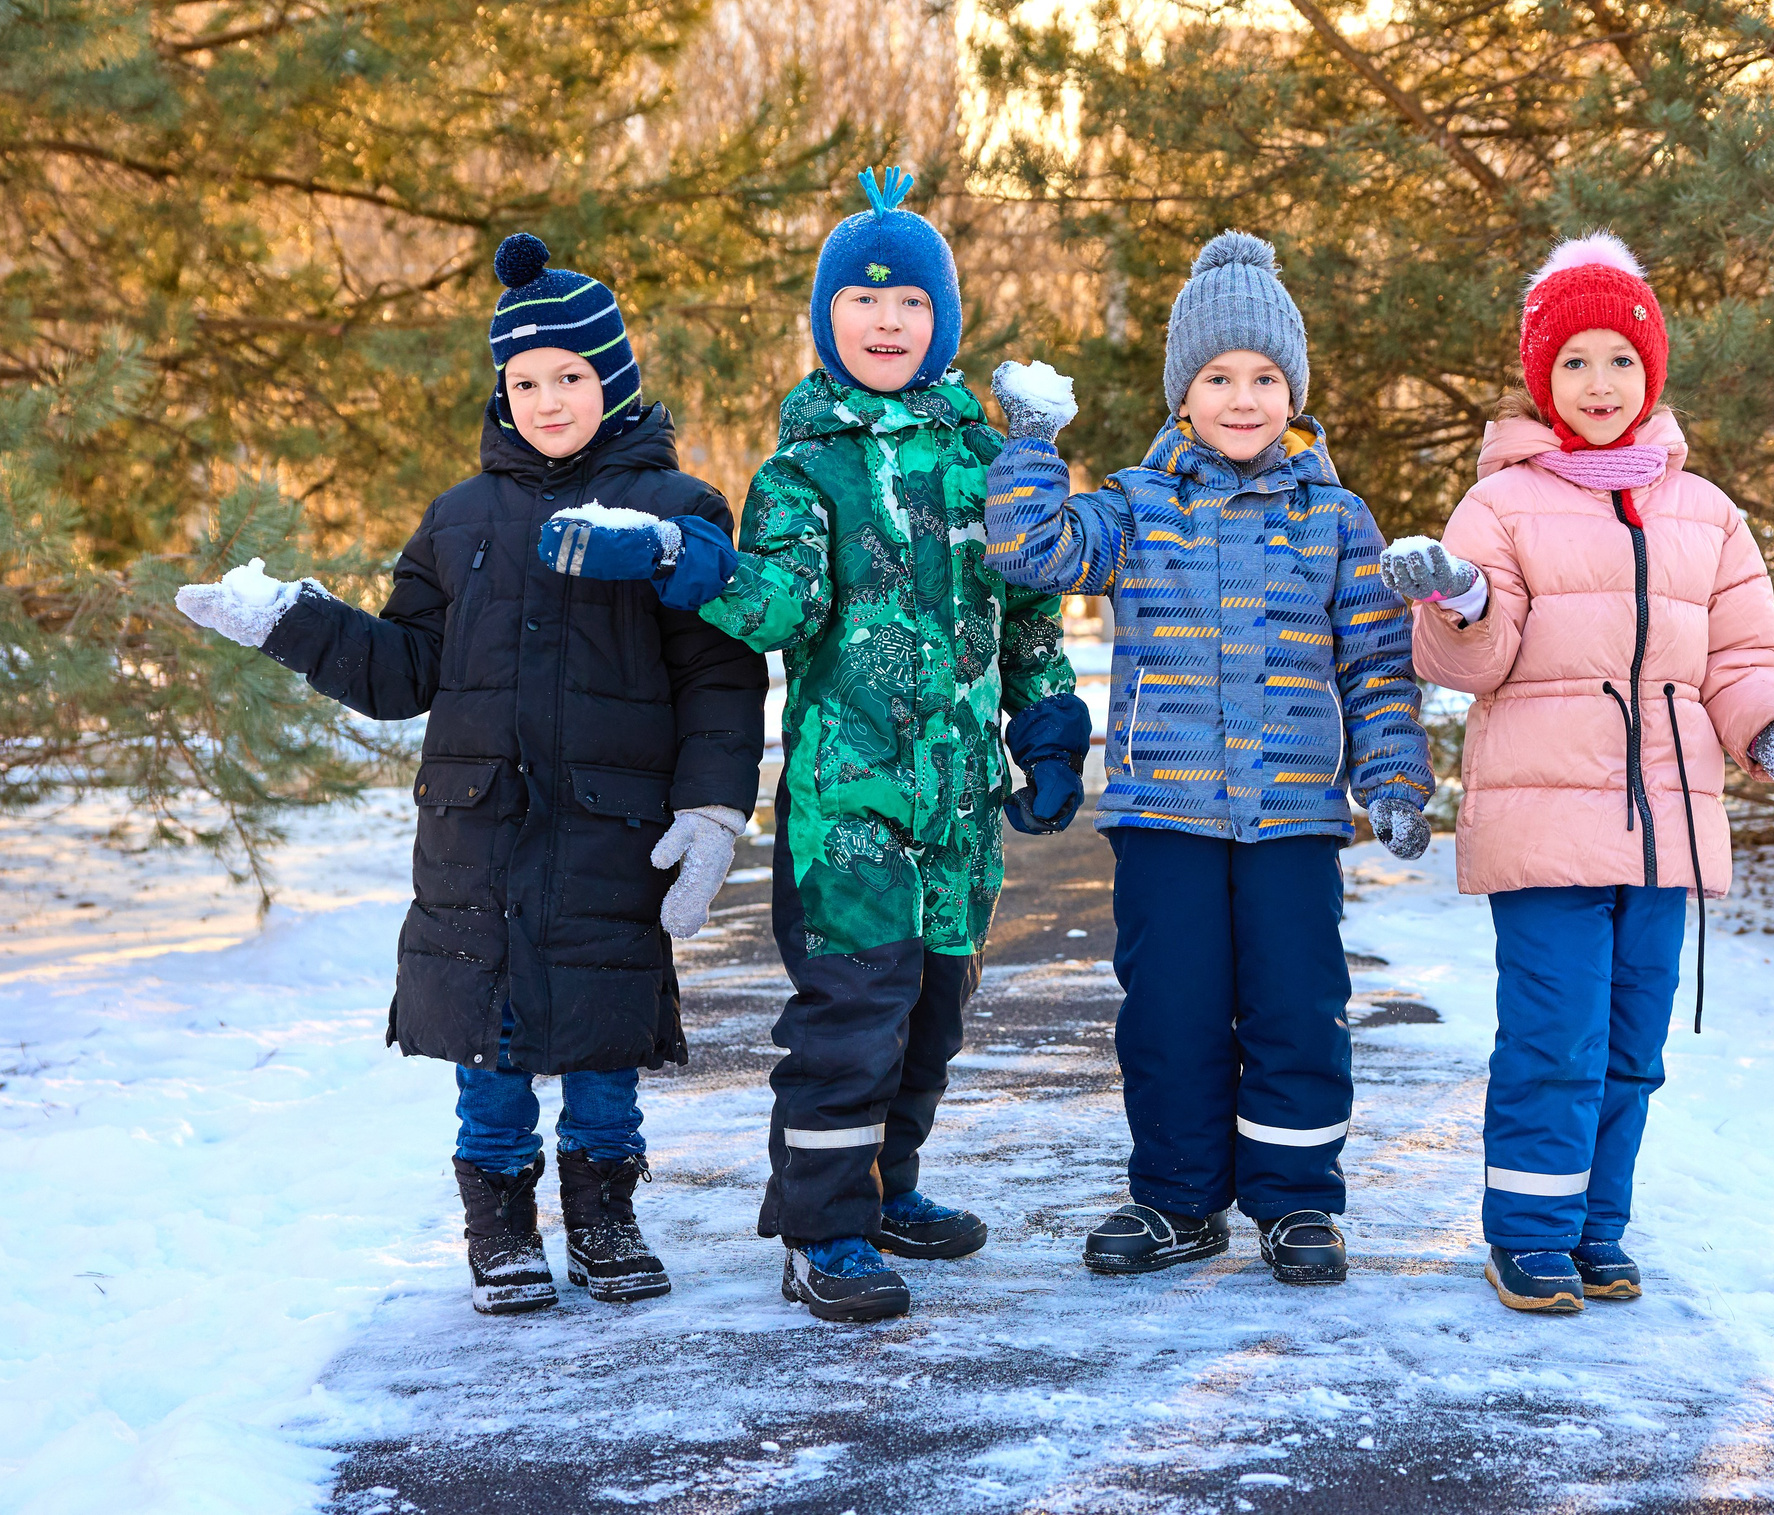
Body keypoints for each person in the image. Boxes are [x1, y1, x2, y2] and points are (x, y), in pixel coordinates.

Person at [173, 232, 766, 1316]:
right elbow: (404, 672)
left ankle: (603, 1215)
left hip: (610, 829)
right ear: (502, 390)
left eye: (572, 377)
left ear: (614, 380)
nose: (547, 399)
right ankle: (498, 1227)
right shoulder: (457, 520)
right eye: (525, 380)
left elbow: (719, 678)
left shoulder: (678, 513)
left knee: (601, 1041)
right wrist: (291, 621)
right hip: (479, 829)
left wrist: (715, 806)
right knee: (487, 1045)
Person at [558, 168, 1089, 1323]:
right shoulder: (803, 471)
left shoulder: (982, 460)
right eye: (860, 303)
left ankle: (886, 1188)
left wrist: (1046, 725)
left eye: (907, 305)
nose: (884, 322)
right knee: (851, 1014)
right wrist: (675, 560)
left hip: (955, 807)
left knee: (934, 1012)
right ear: (827, 320)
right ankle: (821, 1226)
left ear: (941, 324)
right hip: (848, 802)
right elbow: (781, 610)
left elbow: (1031, 611)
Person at [1376, 232, 1774, 1314]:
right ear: (1542, 378)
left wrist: (1768, 726)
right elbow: (1464, 662)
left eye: (1619, 359)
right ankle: (1527, 1233)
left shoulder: (1705, 512)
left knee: (1632, 1046)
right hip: (1543, 828)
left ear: (1650, 371)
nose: (1598, 384)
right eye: (1572, 361)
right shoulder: (1500, 506)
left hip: (1666, 829)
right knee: (1556, 1034)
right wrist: (1462, 599)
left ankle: (1594, 1229)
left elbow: (1742, 654)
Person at [983, 230, 1435, 1287]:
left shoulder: (1337, 520)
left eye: (1265, 377)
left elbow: (1374, 665)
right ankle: (1177, 1200)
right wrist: (1034, 440)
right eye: (1219, 377)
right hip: (1166, 817)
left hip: (1290, 822)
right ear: (1183, 395)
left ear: (1295, 392)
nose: (1243, 396)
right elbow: (1028, 549)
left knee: (1295, 1010)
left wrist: (1396, 780)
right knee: (1172, 1013)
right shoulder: (1137, 506)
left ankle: (1295, 1203)